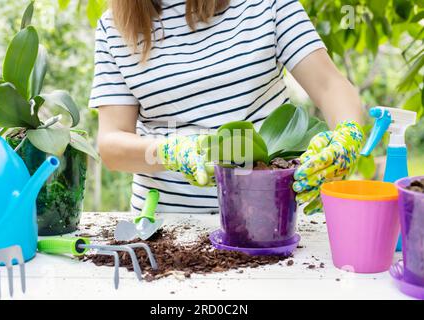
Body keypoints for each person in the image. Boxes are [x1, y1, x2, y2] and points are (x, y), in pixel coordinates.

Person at [90, 0, 364, 215]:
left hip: (273, 216)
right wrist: (170, 151)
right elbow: (112, 144)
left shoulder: (266, 4)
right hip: (165, 228)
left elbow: (330, 85)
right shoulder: (114, 28)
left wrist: (348, 135)